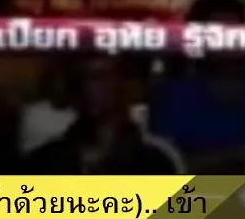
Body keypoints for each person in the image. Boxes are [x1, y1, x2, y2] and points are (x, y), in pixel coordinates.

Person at [23, 56, 182, 174]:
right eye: (80, 78)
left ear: (122, 84)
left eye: (99, 77)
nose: (88, 87)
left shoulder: (155, 162)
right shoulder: (45, 161)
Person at [150, 0, 245, 172]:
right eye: (218, 32)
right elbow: (167, 166)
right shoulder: (174, 97)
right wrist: (234, 156)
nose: (229, 41)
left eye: (235, 30)